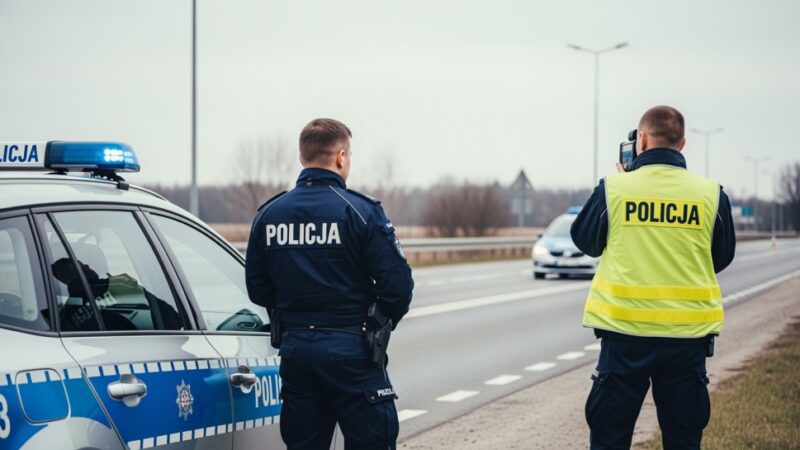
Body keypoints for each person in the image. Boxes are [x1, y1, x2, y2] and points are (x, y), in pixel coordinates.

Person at [571, 105, 736, 450]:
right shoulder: (709, 194)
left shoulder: (615, 189)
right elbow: (721, 258)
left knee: (609, 439)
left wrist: (624, 181)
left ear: (641, 140)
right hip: (686, 341)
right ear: (683, 144)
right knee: (683, 440)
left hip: (624, 339)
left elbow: (585, 242)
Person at [245, 118, 414, 450]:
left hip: (297, 354)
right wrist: (374, 323)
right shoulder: (361, 211)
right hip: (352, 350)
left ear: (301, 158)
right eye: (348, 157)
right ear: (340, 157)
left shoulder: (269, 215)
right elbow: (398, 288)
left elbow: (258, 289)